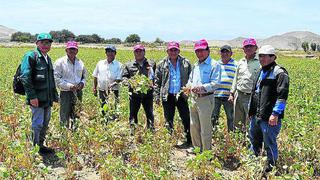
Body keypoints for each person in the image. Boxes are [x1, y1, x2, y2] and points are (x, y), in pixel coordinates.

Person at [248, 45, 289, 173]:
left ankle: (270, 169)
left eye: (265, 56)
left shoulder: (279, 73)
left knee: (269, 143)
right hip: (257, 115)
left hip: (269, 117)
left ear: (273, 57)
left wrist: (275, 113)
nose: (262, 58)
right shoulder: (261, 71)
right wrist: (251, 111)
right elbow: (255, 93)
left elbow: (282, 96)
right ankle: (254, 165)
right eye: (260, 56)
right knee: (254, 140)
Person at [20, 33, 59, 154]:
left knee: (45, 123)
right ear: (37, 43)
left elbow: (51, 80)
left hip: (47, 98)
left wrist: (55, 95)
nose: (45, 45)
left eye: (48, 43)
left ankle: (40, 145)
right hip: (37, 98)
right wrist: (32, 96)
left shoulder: (48, 59)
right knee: (37, 124)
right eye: (42, 42)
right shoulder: (31, 56)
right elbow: (25, 77)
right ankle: (34, 149)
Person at [184, 39, 221, 151]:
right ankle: (197, 150)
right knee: (194, 125)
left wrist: (202, 88)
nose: (199, 53)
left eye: (202, 50)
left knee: (205, 128)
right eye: (197, 51)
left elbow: (216, 83)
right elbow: (190, 80)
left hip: (205, 99)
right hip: (193, 99)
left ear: (208, 50)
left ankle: (206, 152)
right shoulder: (196, 65)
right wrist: (188, 86)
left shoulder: (214, 65)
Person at [154, 41, 192, 147]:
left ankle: (189, 140)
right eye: (171, 50)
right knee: (168, 118)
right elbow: (157, 81)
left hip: (182, 96)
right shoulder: (162, 64)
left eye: (175, 50)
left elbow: (191, 78)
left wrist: (189, 92)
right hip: (168, 95)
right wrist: (156, 96)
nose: (173, 52)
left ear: (179, 51)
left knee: (186, 118)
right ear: (167, 51)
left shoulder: (186, 63)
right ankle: (170, 141)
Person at [122, 44, 155, 135]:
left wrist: (152, 83)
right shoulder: (128, 65)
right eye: (137, 51)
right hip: (134, 94)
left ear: (144, 52)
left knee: (149, 113)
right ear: (134, 53)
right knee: (133, 114)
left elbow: (155, 77)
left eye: (141, 51)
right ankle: (133, 133)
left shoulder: (151, 63)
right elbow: (124, 77)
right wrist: (130, 82)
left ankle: (151, 133)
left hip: (148, 94)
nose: (139, 53)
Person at [229, 38, 260, 133]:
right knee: (237, 120)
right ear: (243, 49)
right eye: (246, 46)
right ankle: (238, 142)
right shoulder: (241, 62)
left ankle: (248, 143)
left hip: (251, 96)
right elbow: (236, 78)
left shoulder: (259, 62)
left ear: (256, 48)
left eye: (251, 46)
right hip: (239, 94)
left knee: (249, 121)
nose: (249, 48)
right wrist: (231, 93)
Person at [54, 40, 87, 129]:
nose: (72, 51)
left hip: (78, 92)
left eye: (74, 49)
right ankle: (64, 134)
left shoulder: (80, 62)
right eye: (70, 49)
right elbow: (56, 78)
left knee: (76, 113)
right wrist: (69, 86)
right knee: (64, 114)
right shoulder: (60, 62)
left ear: (77, 51)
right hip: (66, 92)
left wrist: (82, 83)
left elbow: (84, 76)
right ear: (66, 50)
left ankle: (74, 131)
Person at [211, 45, 237, 132]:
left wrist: (232, 94)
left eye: (227, 52)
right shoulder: (216, 64)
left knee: (231, 117)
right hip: (216, 95)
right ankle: (214, 134)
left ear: (231, 53)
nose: (225, 53)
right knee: (214, 116)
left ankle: (231, 135)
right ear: (220, 53)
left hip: (229, 96)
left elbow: (237, 80)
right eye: (223, 51)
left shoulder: (236, 64)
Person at [92, 45, 123, 116]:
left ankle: (113, 123)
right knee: (103, 108)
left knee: (113, 108)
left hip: (113, 91)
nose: (110, 53)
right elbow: (95, 76)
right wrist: (94, 87)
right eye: (108, 51)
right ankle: (104, 124)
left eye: (112, 51)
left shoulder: (119, 65)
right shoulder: (100, 63)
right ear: (106, 53)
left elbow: (119, 79)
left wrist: (111, 86)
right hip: (102, 90)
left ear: (115, 53)